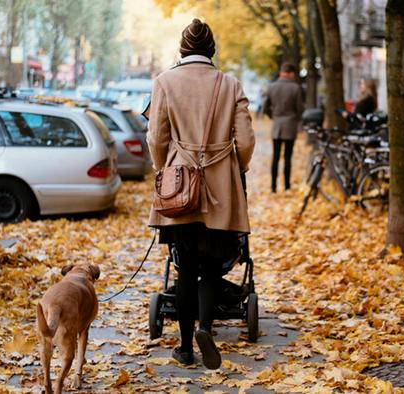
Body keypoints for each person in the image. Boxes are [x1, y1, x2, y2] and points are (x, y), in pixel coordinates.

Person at [146, 18, 255, 370]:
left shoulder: (165, 81)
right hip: (221, 186)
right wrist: (237, 168)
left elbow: (155, 138)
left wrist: (164, 168)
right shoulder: (230, 84)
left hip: (180, 187)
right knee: (210, 268)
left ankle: (184, 347)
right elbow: (247, 141)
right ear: (212, 51)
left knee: (185, 266)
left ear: (182, 50)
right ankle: (206, 328)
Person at [263, 63, 304, 192]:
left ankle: (273, 187)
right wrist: (296, 119)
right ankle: (287, 186)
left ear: (281, 72)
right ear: (290, 73)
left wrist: (274, 116)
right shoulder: (295, 88)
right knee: (287, 157)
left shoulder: (271, 87)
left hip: (277, 126)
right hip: (290, 126)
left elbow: (265, 108)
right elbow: (300, 109)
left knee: (275, 157)